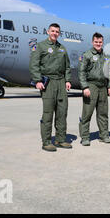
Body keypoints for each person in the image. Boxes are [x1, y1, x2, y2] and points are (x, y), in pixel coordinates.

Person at [29, 23, 72, 152]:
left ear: (59, 34)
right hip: (48, 82)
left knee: (62, 112)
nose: (55, 33)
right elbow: (34, 64)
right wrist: (37, 80)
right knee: (48, 113)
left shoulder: (62, 48)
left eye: (57, 31)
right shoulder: (41, 46)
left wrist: (68, 80)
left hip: (61, 82)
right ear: (48, 32)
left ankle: (60, 139)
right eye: (52, 31)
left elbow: (67, 66)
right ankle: (46, 141)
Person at [78, 32, 110, 146]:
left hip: (102, 86)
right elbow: (81, 72)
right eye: (96, 42)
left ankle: (103, 135)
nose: (98, 44)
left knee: (103, 113)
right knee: (87, 113)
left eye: (100, 42)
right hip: (91, 85)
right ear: (92, 42)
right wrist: (85, 87)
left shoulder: (106, 56)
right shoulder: (87, 55)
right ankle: (85, 137)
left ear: (102, 42)